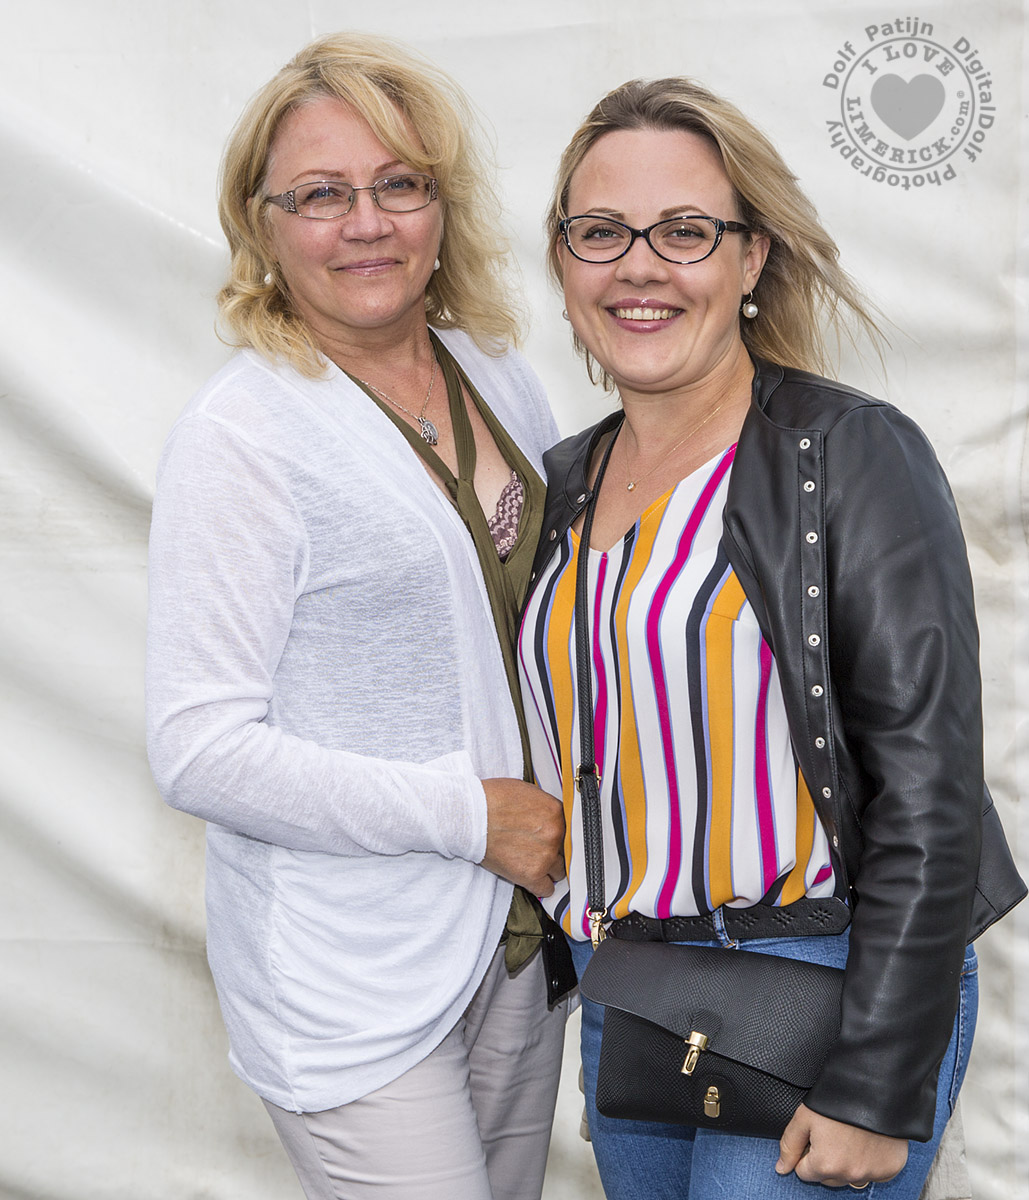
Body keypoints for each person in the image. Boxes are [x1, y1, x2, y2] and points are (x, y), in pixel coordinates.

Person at [517, 77, 1025, 1199]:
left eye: (685, 231)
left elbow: (929, 785)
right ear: (562, 261)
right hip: (634, 989)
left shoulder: (846, 455)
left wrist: (877, 1080)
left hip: (818, 982)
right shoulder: (569, 481)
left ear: (751, 259)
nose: (639, 266)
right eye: (601, 231)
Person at [145, 33, 575, 1200]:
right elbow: (197, 746)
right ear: (263, 224)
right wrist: (471, 815)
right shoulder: (244, 435)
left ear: (443, 204)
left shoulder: (494, 370)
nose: (368, 223)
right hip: (350, 968)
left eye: (399, 184)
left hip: (520, 942)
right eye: (323, 194)